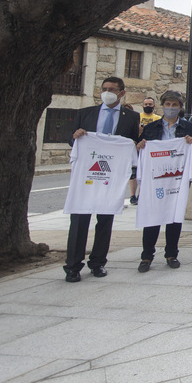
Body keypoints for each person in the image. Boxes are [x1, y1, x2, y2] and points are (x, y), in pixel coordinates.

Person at [64, 77, 141, 282]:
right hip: (87, 176)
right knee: (79, 220)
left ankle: (98, 263)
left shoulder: (131, 117)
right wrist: (75, 136)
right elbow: (71, 139)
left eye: (112, 89)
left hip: (111, 177)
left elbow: (132, 143)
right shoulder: (85, 113)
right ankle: (72, 266)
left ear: (122, 93)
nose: (107, 92)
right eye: (105, 89)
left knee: (105, 220)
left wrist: (136, 146)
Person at [135, 90, 192, 272]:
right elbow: (140, 149)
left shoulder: (189, 128)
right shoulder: (151, 128)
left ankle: (172, 254)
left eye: (175, 105)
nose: (171, 108)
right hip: (154, 179)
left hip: (177, 180)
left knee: (174, 216)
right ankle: (146, 256)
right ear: (162, 105)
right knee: (152, 216)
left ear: (180, 107)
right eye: (168, 104)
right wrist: (140, 146)